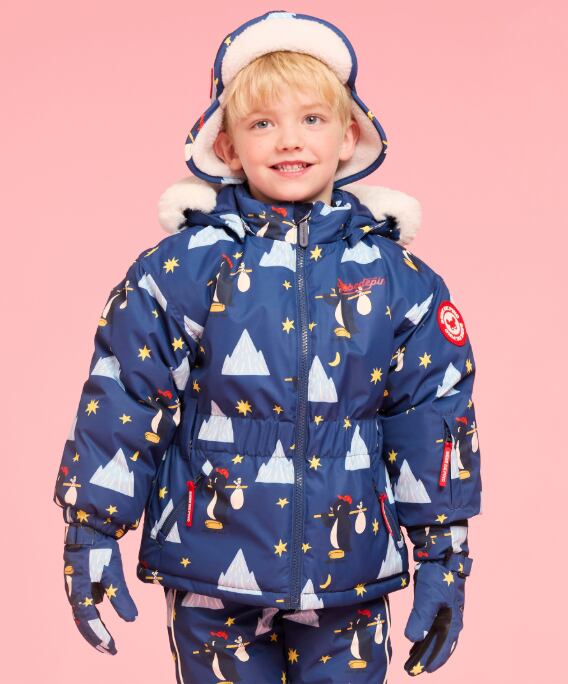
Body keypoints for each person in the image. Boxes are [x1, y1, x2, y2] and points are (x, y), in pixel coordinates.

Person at [53, 10, 482, 682]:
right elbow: (127, 395)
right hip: (210, 569)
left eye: (311, 118)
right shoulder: (184, 267)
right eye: (262, 123)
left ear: (348, 134)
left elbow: (432, 416)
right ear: (227, 147)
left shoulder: (399, 280)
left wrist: (444, 554)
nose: (289, 140)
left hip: (348, 575)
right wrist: (91, 528)